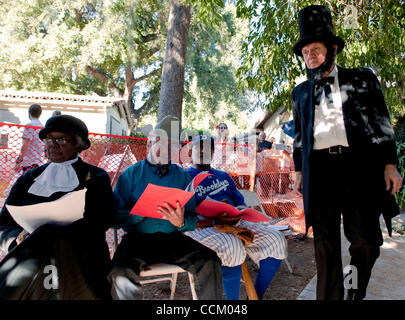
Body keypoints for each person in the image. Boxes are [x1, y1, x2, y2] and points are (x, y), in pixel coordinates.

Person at [291, 5, 403, 300]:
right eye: (305, 52)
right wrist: (299, 170)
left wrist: (390, 164)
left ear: (332, 48)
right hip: (321, 171)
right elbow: (300, 136)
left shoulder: (362, 80)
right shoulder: (300, 93)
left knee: (365, 241)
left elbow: (381, 121)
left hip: (358, 169)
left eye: (316, 49)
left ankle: (354, 291)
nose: (310, 56)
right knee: (325, 247)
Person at [0, 115, 115, 299]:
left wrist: (57, 233)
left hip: (80, 258)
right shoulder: (28, 179)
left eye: (62, 139)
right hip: (33, 260)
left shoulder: (96, 177)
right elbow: (4, 222)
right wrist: (17, 239)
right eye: (49, 139)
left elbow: (105, 219)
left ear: (80, 144)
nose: (53, 144)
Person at [108, 116, 223, 300]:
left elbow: (193, 216)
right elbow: (112, 219)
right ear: (149, 144)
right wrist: (136, 215)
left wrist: (181, 222)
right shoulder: (130, 174)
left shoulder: (183, 177)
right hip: (137, 240)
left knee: (210, 261)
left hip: (173, 240)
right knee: (120, 272)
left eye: (172, 145)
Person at [185, 135, 287, 300]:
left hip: (234, 221)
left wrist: (239, 213)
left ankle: (255, 297)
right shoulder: (182, 177)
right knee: (232, 246)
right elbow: (182, 217)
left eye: (209, 149)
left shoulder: (223, 176)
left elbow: (240, 203)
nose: (205, 153)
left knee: (276, 240)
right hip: (203, 226)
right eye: (200, 149)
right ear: (190, 153)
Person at [15, 104, 45, 173]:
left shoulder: (30, 125)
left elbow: (26, 143)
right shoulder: (42, 126)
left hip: (29, 162)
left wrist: (19, 161)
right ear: (40, 114)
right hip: (38, 162)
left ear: (29, 112)